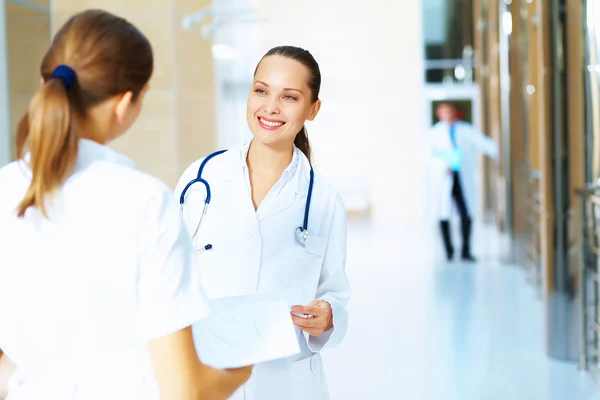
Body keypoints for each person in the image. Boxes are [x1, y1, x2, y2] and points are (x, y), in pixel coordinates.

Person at [0, 9, 252, 399]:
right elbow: (185, 390)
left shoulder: (4, 187)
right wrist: (239, 370)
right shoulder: (145, 203)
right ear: (125, 104)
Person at [175, 45, 350, 400]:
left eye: (289, 96)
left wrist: (328, 314)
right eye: (261, 90)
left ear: (312, 109)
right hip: (208, 371)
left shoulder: (323, 200)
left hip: (286, 382)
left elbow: (334, 292)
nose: (270, 107)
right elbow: (170, 275)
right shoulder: (200, 178)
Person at [427, 102, 498, 262]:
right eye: (443, 112)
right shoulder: (434, 133)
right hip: (443, 178)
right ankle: (449, 250)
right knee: (443, 213)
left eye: (449, 111)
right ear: (439, 114)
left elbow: (485, 144)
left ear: (454, 112)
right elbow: (428, 157)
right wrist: (442, 166)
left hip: (461, 177)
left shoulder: (465, 130)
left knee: (466, 213)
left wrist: (500, 152)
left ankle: (466, 250)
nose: (447, 114)